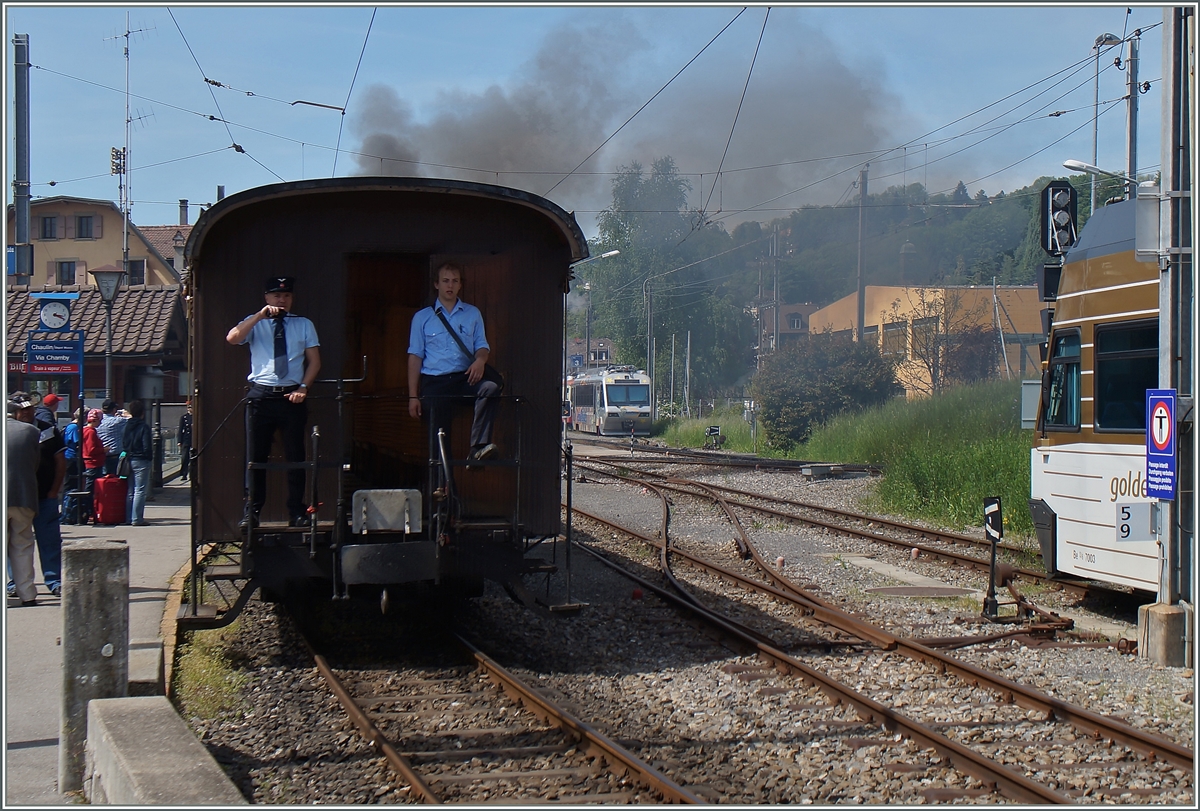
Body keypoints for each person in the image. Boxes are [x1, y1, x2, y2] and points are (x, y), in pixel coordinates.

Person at [226, 276, 321, 528]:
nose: (282, 300)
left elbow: (315, 361)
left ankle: (297, 511)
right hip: (262, 394)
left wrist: (304, 387)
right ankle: (252, 511)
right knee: (255, 455)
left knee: (295, 455)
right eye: (277, 296)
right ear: (267, 298)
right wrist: (259, 316)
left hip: (291, 394)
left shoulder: (303, 324)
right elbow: (232, 338)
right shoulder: (254, 323)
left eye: (287, 296)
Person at [407, 262, 500, 462]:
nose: (450, 285)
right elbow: (415, 357)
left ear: (460, 285)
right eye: (445, 281)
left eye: (454, 281)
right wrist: (413, 396)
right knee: (440, 437)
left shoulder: (472, 313)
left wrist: (480, 361)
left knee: (490, 388)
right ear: (436, 284)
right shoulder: (422, 318)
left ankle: (478, 448)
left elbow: (482, 346)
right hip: (434, 382)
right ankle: (444, 488)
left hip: (462, 377)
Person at [7, 395, 42, 606]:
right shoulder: (32, 432)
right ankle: (27, 594)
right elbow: (34, 464)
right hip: (23, 495)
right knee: (23, 544)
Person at [121, 399, 154, 526]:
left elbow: (124, 443)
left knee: (130, 490)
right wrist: (148, 457)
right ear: (142, 413)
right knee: (140, 490)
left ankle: (129, 517)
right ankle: (137, 518)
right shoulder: (143, 427)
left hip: (129, 459)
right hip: (141, 460)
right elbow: (147, 445)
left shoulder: (126, 426)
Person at [81, 408, 106, 523]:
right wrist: (103, 450)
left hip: (91, 463)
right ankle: (88, 511)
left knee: (90, 489)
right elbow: (91, 450)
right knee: (91, 490)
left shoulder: (85, 430)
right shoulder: (90, 432)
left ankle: (88, 510)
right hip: (93, 463)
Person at [61, 407, 82, 524]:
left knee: (71, 486)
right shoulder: (74, 427)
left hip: (70, 458)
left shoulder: (72, 426)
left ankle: (68, 512)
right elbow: (77, 443)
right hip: (71, 458)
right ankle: (67, 513)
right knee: (70, 486)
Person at [97, 398, 128, 475]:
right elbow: (132, 420)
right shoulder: (118, 421)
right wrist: (126, 414)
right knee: (114, 480)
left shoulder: (98, 420)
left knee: (103, 479)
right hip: (115, 456)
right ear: (114, 409)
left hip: (101, 454)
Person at [177, 400, 193, 482]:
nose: (189, 409)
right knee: (184, 458)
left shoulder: (195, 417)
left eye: (191, 407)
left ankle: (192, 474)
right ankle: (184, 473)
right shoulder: (184, 418)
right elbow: (180, 430)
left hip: (193, 439)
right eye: (188, 407)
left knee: (193, 458)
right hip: (186, 439)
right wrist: (179, 440)